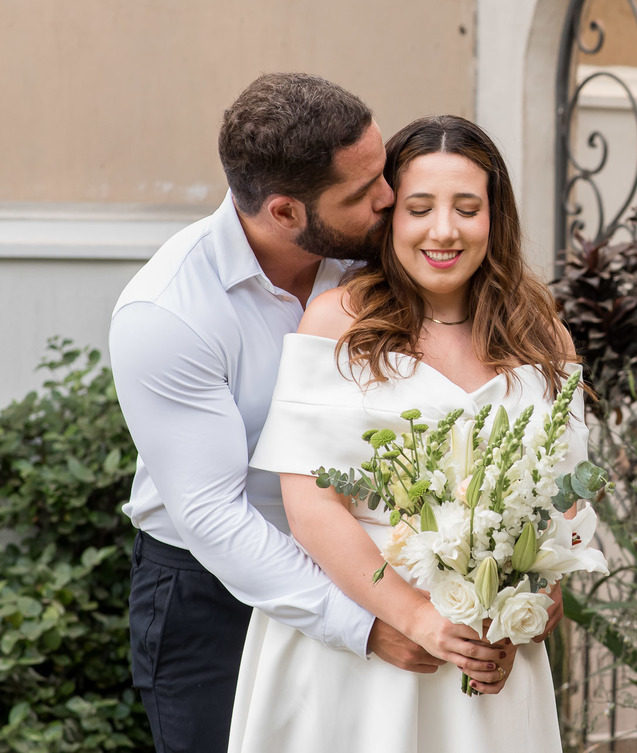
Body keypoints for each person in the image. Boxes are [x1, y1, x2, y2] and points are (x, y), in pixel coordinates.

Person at [227, 115, 585, 752]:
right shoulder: (339, 322)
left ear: (494, 218)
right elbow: (310, 504)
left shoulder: (543, 336)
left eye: (467, 209)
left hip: (492, 647)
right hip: (361, 643)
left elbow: (569, 495)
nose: (443, 230)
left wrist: (537, 595)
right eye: (419, 208)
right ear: (389, 215)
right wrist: (415, 618)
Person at [109, 73, 443, 753]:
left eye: (383, 170)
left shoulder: (374, 258)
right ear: (286, 212)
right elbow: (213, 514)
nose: (390, 197)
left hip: (373, 566)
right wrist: (367, 623)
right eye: (363, 191)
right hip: (213, 598)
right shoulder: (168, 312)